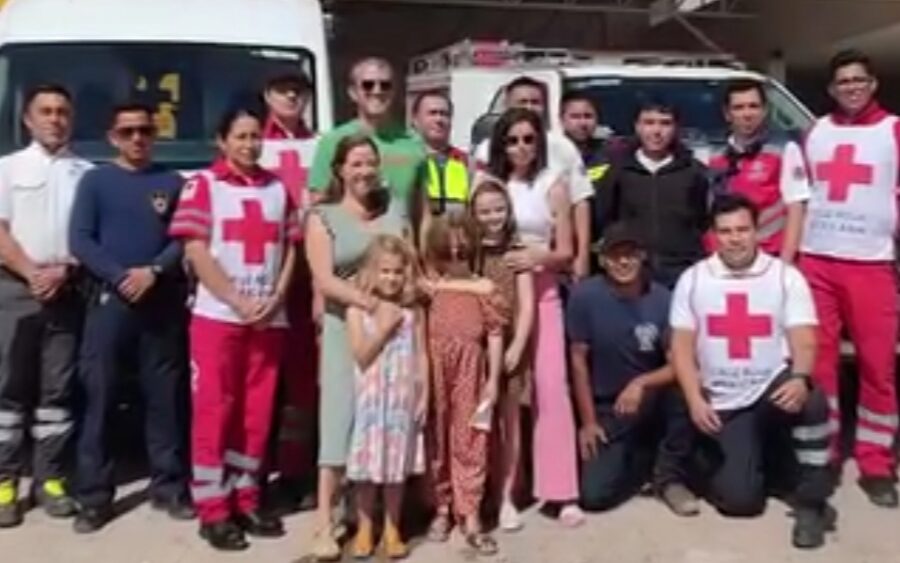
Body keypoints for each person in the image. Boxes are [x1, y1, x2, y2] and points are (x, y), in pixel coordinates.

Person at [670, 194, 835, 549]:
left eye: (743, 229)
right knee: (740, 502)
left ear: (756, 231)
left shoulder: (784, 277)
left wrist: (801, 376)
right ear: (713, 236)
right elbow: (681, 348)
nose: (735, 239)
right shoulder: (694, 279)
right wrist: (695, 400)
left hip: (768, 390)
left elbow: (804, 338)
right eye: (725, 231)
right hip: (724, 401)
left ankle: (812, 501)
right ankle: (746, 462)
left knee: (812, 400)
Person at [170, 108, 299, 551]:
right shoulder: (203, 185)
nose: (249, 144)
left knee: (256, 415)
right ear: (221, 142)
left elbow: (290, 249)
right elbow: (196, 252)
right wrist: (237, 300)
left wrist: (277, 296)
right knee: (214, 412)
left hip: (268, 319)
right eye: (239, 137)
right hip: (218, 318)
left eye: (253, 137)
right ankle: (213, 510)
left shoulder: (278, 188)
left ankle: (247, 498)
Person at [69, 103, 193, 533]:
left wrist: (154, 271)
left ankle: (170, 486)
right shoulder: (95, 181)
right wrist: (121, 277)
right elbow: (81, 240)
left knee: (166, 400)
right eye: (128, 131)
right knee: (98, 397)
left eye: (145, 130)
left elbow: (184, 238)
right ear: (112, 137)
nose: (137, 138)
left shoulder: (173, 182)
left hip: (161, 301)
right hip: (110, 301)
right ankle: (94, 497)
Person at [799, 49, 900, 508]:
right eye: (843, 82)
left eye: (859, 80)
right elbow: (799, 194)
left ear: (873, 84)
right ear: (831, 89)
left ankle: (876, 461)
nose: (852, 88)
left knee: (878, 366)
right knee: (820, 367)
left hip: (872, 262)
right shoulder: (815, 131)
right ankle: (825, 452)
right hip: (818, 260)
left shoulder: (894, 130)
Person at [304, 134, 407, 561]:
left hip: (394, 331)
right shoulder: (321, 216)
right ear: (340, 170)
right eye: (356, 164)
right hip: (342, 327)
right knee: (340, 420)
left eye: (370, 163)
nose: (365, 171)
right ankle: (324, 523)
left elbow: (409, 259)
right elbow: (325, 280)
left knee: (384, 418)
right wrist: (371, 305)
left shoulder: (394, 209)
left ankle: (377, 516)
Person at [487, 108, 584, 527]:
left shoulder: (554, 185)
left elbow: (566, 250)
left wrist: (536, 256)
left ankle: (561, 491)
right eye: (512, 140)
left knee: (551, 387)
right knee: (504, 392)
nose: (521, 147)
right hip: (500, 293)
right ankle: (506, 490)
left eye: (528, 139)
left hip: (543, 292)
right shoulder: (489, 185)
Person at [0, 84, 91, 527]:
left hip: (67, 290)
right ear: (28, 120)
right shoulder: (7, 168)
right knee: (8, 390)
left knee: (56, 394)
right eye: (46, 111)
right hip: (14, 290)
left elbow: (88, 237)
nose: (55, 119)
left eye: (62, 112)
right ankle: (3, 483)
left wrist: (64, 270)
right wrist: (31, 271)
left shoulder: (87, 172)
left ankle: (50, 479)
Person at [568, 222, 697, 516]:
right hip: (608, 406)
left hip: (652, 398)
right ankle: (641, 462)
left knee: (683, 390)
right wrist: (588, 422)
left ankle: (669, 478)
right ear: (602, 260)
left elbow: (678, 362)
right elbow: (578, 362)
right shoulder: (584, 297)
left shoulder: (663, 298)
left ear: (643, 257)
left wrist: (642, 383)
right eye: (615, 255)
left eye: (630, 254)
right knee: (594, 496)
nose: (623, 262)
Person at [423, 214, 504, 556]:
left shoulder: (484, 285)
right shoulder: (428, 285)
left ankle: (470, 513)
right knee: (436, 437)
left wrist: (494, 380)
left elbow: (496, 333)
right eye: (448, 247)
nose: (455, 252)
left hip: (472, 365)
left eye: (461, 246)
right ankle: (442, 507)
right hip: (434, 364)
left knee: (470, 437)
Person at [345, 235, 428, 560]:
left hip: (401, 399)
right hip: (371, 399)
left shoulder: (413, 311)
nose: (391, 278)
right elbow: (362, 355)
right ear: (371, 271)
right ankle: (366, 527)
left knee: (396, 469)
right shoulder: (358, 309)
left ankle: (393, 527)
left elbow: (422, 356)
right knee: (368, 470)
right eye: (384, 271)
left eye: (397, 272)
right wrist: (381, 327)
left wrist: (425, 395)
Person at [261, 71, 319, 508]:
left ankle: (298, 472)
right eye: (283, 92)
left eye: (299, 92)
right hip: (264, 271)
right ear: (268, 96)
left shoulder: (319, 145)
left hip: (309, 274)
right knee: (262, 378)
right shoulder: (251, 141)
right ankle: (256, 472)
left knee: (303, 382)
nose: (291, 98)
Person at [475, 77, 593, 279]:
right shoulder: (486, 150)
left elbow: (580, 202)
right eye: (523, 102)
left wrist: (582, 258)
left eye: (535, 102)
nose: (530, 107)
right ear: (507, 105)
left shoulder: (563, 147)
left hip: (548, 259)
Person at [467, 180, 535, 532]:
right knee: (479, 425)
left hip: (509, 345)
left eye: (499, 209)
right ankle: (478, 494)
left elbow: (526, 305)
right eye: (484, 211)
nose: (493, 217)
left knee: (510, 425)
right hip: (476, 345)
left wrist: (518, 344)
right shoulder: (469, 251)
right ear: (473, 215)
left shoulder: (516, 249)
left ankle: (507, 495)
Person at [596, 99, 709, 289]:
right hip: (632, 272)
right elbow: (605, 218)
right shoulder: (618, 171)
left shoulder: (694, 172)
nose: (657, 131)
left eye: (665, 123)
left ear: (676, 128)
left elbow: (702, 219)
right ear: (637, 127)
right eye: (649, 123)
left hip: (682, 272)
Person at [309, 57, 426, 219]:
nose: (377, 91)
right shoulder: (332, 141)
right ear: (353, 93)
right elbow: (317, 202)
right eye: (368, 85)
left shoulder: (413, 143)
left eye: (385, 85)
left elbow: (422, 210)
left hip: (400, 241)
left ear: (393, 91)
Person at [706, 79, 810, 262]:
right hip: (727, 257)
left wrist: (786, 263)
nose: (747, 114)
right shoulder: (715, 157)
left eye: (753, 106)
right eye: (739, 108)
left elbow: (796, 208)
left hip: (770, 255)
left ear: (764, 111)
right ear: (727, 114)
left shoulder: (784, 150)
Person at [412, 89, 470, 220]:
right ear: (415, 120)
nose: (439, 119)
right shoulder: (402, 162)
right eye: (432, 113)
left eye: (444, 114)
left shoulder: (468, 164)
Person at [262, 72, 315, 140]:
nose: (292, 95)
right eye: (282, 89)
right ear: (267, 96)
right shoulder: (255, 139)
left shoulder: (318, 143)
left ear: (308, 97)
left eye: (298, 90)